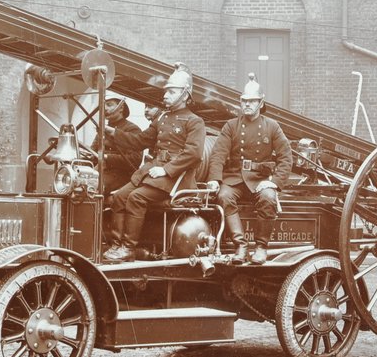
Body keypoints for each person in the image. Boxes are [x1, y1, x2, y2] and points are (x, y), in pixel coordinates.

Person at [102, 65, 206, 263]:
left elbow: (193, 154)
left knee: (136, 198)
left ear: (185, 95)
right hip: (154, 172)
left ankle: (128, 248)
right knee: (119, 197)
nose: (166, 95)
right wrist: (114, 133)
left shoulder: (195, 121)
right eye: (166, 91)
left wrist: (166, 169)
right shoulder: (163, 118)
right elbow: (140, 141)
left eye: (172, 91)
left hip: (177, 178)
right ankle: (116, 245)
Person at [206, 73, 292, 264]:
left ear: (261, 103)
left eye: (252, 101)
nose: (247, 104)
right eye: (244, 101)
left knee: (268, 197)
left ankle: (261, 247)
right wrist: (214, 178)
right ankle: (241, 245)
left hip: (261, 180)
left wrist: (274, 183)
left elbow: (286, 158)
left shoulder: (272, 126)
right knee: (224, 196)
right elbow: (218, 154)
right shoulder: (231, 126)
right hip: (235, 178)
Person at [92, 97, 142, 196]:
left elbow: (135, 160)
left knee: (93, 186)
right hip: (101, 171)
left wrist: (106, 157)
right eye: (104, 105)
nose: (105, 108)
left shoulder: (132, 129)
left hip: (122, 175)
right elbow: (93, 151)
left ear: (121, 108)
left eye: (109, 105)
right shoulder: (102, 130)